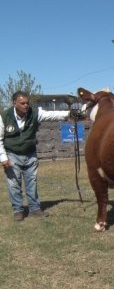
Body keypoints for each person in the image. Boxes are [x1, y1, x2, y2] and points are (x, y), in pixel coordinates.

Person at [0, 91, 79, 221]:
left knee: (32, 182)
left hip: (30, 153)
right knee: (14, 184)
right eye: (22, 103)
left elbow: (52, 115)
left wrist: (69, 114)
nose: (26, 105)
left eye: (27, 103)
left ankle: (34, 209)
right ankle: (18, 210)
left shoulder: (35, 113)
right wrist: (3, 158)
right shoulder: (4, 117)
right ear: (14, 103)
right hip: (12, 154)